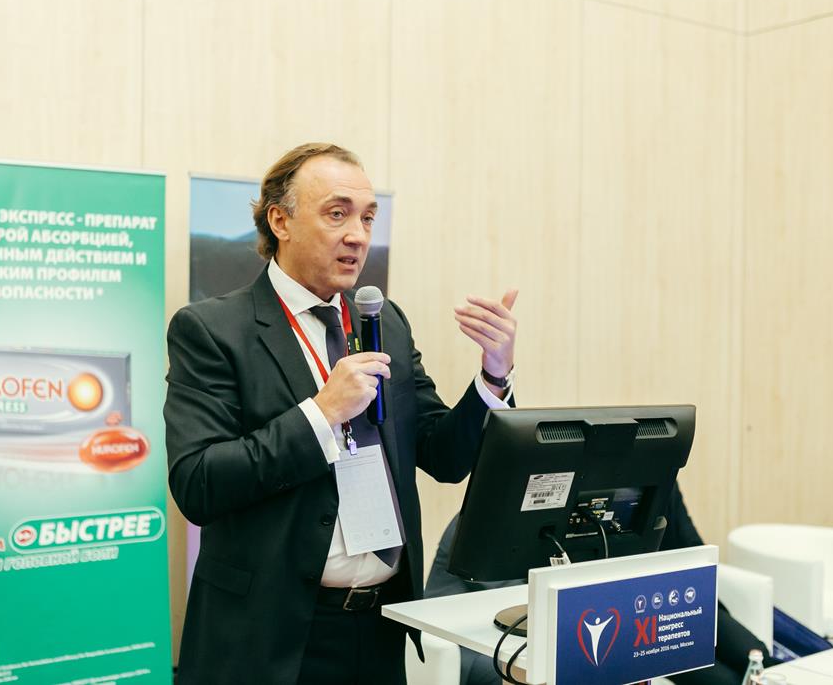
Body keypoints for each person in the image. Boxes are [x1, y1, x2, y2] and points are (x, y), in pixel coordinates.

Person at [164, 142, 519, 685]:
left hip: (379, 628)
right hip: (270, 636)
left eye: (368, 218)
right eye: (337, 214)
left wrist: (493, 376)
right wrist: (320, 413)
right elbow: (198, 483)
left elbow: (443, 454)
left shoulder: (385, 321)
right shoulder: (212, 330)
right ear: (280, 221)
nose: (358, 235)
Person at [425, 484, 778, 685]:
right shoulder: (486, 524)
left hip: (592, 624)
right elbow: (511, 619)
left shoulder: (563, 523)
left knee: (746, 653)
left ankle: (768, 665)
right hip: (475, 646)